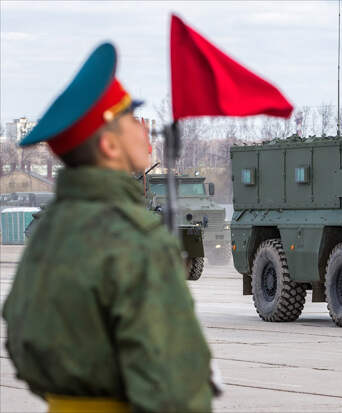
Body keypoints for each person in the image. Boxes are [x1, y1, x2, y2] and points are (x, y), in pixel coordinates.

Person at [2, 42, 215, 412]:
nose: (144, 130)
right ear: (109, 146)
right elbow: (176, 384)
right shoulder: (137, 238)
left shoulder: (49, 230)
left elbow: (24, 346)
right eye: (132, 119)